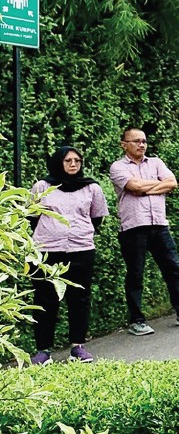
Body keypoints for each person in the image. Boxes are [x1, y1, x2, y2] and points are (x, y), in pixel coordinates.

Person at [110, 128, 179, 335]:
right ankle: (136, 320)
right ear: (124, 144)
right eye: (135, 141)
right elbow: (133, 186)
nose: (141, 145)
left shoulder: (156, 162)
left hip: (160, 225)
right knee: (136, 275)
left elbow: (172, 182)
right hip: (133, 228)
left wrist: (144, 190)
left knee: (173, 269)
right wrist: (155, 186)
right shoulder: (118, 167)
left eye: (144, 141)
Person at [29, 147, 108, 365]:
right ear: (58, 162)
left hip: (81, 249)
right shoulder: (42, 187)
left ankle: (77, 347)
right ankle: (43, 350)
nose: (73, 164)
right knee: (45, 299)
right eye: (68, 160)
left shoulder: (91, 187)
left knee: (79, 298)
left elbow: (96, 218)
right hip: (47, 251)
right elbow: (32, 217)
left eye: (77, 160)